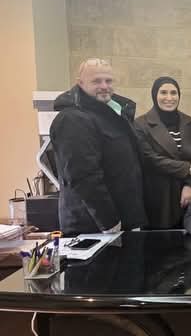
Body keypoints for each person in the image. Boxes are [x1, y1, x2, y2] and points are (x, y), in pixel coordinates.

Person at [50, 58, 147, 235]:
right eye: (96, 81)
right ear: (80, 83)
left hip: (124, 220)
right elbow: (83, 176)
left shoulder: (113, 114)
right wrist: (109, 223)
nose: (104, 86)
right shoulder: (72, 119)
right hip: (95, 227)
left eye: (108, 80)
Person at [134, 76, 191, 229]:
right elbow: (149, 158)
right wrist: (187, 168)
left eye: (173, 93)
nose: (169, 98)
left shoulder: (190, 122)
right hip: (157, 196)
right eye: (163, 92)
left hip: (187, 194)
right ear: (154, 95)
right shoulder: (140, 124)